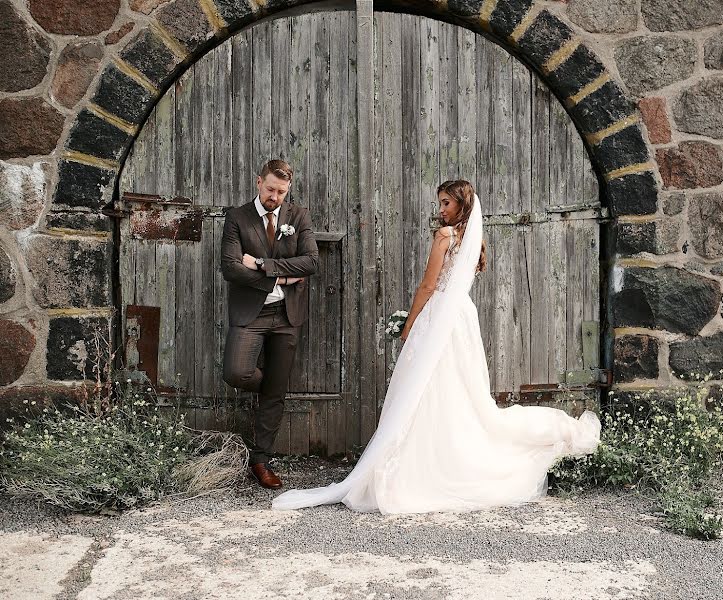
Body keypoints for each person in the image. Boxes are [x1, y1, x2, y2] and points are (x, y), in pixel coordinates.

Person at [272, 179, 600, 514]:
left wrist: (410, 323)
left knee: (427, 386)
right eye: (440, 203)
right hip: (461, 318)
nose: (440, 210)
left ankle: (424, 466)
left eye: (446, 203)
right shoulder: (472, 239)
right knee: (455, 389)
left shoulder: (445, 236)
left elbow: (429, 284)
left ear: (462, 204)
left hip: (440, 315)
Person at [220, 159, 318, 489]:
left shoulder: (298, 216)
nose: (275, 197)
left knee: (275, 392)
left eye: (281, 192)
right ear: (258, 182)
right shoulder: (237, 218)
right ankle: (272, 389)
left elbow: (311, 261)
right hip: (251, 313)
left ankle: (260, 460)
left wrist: (262, 264)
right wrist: (280, 279)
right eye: (271, 189)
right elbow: (231, 268)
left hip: (288, 316)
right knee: (236, 372)